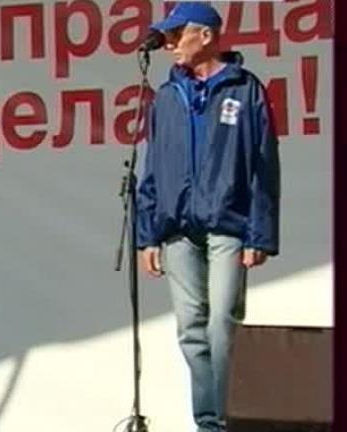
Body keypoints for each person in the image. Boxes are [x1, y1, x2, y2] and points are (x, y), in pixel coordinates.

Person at [136, 3, 280, 431]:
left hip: (228, 223)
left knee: (222, 324)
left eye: (176, 34)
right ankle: (209, 423)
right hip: (178, 228)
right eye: (166, 36)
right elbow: (152, 165)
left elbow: (263, 163)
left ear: (206, 35)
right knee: (191, 328)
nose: (169, 44)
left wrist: (260, 234)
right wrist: (147, 235)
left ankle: (229, 418)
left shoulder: (245, 89)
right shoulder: (167, 96)